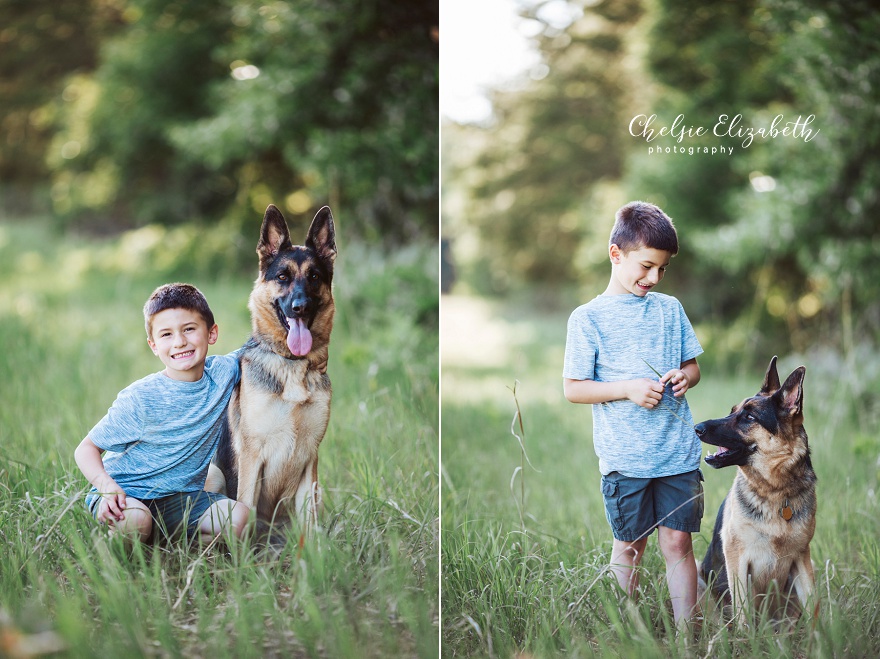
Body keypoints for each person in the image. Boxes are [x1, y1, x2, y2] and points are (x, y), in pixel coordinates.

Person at [562, 201, 704, 627]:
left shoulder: (670, 309)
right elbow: (573, 389)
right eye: (645, 266)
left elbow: (694, 366)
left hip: (677, 453)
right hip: (627, 460)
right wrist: (626, 389)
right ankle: (623, 630)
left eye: (662, 269)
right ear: (615, 254)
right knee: (630, 546)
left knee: (678, 543)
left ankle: (687, 637)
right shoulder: (588, 319)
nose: (654, 278)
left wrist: (684, 376)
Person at [74, 283, 249, 545]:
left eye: (189, 329)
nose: (179, 342)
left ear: (212, 333)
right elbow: (85, 449)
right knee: (136, 521)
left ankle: (175, 542)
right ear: (153, 345)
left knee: (240, 518)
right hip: (125, 494)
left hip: (181, 498)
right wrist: (106, 487)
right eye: (166, 335)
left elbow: (264, 346)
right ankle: (115, 552)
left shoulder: (224, 373)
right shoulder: (141, 398)